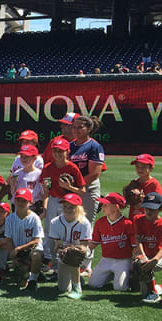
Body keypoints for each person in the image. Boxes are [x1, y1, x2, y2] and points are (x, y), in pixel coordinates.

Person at [39, 137, 86, 273]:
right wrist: (45, 207)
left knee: (68, 231)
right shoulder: (48, 168)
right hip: (53, 201)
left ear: (67, 152)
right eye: (55, 151)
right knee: (50, 230)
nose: (58, 154)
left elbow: (82, 190)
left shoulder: (72, 167)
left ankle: (70, 259)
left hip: (69, 202)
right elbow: (47, 190)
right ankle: (49, 260)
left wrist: (69, 187)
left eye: (61, 151)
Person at [88, 193, 136, 293]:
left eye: (106, 205)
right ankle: (111, 274)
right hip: (106, 260)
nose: (102, 207)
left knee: (120, 288)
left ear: (116, 207)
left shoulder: (128, 224)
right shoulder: (100, 222)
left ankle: (126, 274)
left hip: (123, 260)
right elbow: (94, 242)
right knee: (93, 284)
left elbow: (134, 246)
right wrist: (83, 250)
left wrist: (135, 263)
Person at [47, 193, 91, 299]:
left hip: (79, 255)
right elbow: (56, 247)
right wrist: (64, 249)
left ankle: (77, 287)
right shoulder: (55, 222)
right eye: (65, 206)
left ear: (78, 208)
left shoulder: (84, 223)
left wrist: (71, 248)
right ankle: (75, 276)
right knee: (63, 288)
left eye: (71, 207)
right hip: (62, 254)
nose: (67, 209)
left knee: (74, 253)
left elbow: (84, 247)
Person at [5, 188, 45, 291]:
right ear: (15, 201)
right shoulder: (10, 218)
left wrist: (18, 249)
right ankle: (29, 271)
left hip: (31, 249)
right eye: (19, 200)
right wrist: (13, 256)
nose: (21, 203)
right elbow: (8, 239)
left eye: (24, 201)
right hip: (18, 252)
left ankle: (33, 280)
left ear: (30, 202)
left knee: (36, 255)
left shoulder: (35, 218)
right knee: (21, 283)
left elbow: (36, 240)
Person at [133, 192, 162, 303]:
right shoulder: (138, 219)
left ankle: (154, 295)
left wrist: (155, 260)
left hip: (159, 257)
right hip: (145, 254)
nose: (148, 211)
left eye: (153, 209)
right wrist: (143, 255)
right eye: (146, 208)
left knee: (144, 265)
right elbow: (138, 238)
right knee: (142, 290)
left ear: (161, 209)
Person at [69, 115, 106, 224]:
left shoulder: (94, 147)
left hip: (88, 188)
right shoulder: (69, 146)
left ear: (89, 129)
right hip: (71, 187)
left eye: (80, 127)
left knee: (85, 222)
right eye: (74, 127)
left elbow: (95, 173)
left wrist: (77, 186)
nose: (76, 130)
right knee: (70, 221)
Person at [123, 154, 162, 218]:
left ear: (151, 168)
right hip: (133, 218)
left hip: (147, 220)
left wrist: (144, 200)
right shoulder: (134, 183)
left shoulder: (154, 184)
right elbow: (127, 201)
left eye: (143, 167)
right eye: (137, 166)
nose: (140, 169)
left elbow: (161, 202)